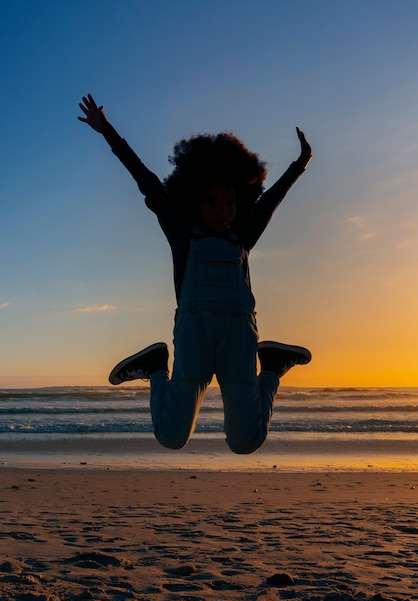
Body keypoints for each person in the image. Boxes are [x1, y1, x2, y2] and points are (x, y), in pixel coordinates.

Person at [78, 93, 313, 454]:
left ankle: (273, 367)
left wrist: (300, 165)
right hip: (194, 338)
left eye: (231, 203)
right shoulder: (182, 234)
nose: (223, 212)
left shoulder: (243, 236)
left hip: (238, 337)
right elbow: (147, 182)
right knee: (172, 436)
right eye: (213, 203)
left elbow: (272, 200)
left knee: (246, 440)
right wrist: (107, 131)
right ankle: (156, 367)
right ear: (193, 200)